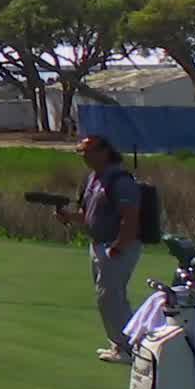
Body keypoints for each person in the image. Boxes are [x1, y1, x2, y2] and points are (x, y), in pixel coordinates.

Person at [54, 134, 144, 364]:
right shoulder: (92, 179)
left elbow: (130, 216)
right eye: (81, 152)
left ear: (104, 152)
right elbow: (87, 215)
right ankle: (119, 344)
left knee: (112, 297)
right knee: (106, 298)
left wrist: (118, 246)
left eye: (88, 151)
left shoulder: (120, 180)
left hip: (117, 246)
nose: (84, 156)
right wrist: (68, 217)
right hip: (98, 245)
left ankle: (131, 348)